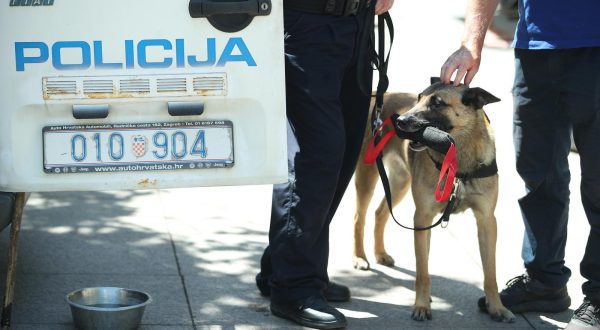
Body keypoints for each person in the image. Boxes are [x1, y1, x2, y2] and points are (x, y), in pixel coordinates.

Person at [440, 1, 600, 329]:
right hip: (535, 48)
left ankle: (599, 296)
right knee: (538, 172)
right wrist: (471, 43)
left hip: (595, 49)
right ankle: (545, 279)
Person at [255, 0, 394, 328]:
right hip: (307, 21)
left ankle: (286, 265)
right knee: (317, 155)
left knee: (343, 151)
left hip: (357, 21)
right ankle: (294, 286)